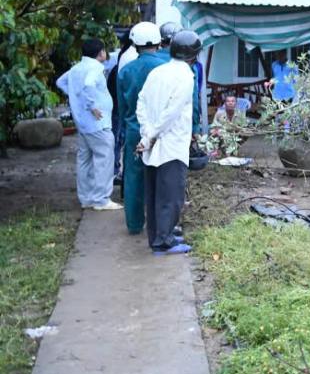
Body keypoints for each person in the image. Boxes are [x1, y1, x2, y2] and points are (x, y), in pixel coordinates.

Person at [136, 29, 201, 255]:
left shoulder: (157, 72)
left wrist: (146, 134)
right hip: (171, 144)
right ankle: (164, 241)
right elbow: (171, 112)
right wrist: (152, 134)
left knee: (154, 194)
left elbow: (141, 102)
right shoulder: (185, 76)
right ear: (194, 56)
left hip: (152, 143)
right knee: (171, 195)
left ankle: (159, 235)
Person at [55, 39, 122, 210]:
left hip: (83, 123)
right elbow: (88, 85)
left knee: (84, 160)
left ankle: (86, 198)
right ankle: (101, 199)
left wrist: (75, 97)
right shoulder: (95, 68)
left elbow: (60, 82)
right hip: (98, 124)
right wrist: (91, 105)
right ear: (101, 53)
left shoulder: (77, 68)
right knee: (104, 159)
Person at [117, 22, 168, 234]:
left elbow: (122, 107)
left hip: (133, 130)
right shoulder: (166, 67)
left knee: (133, 177)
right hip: (162, 130)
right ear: (158, 42)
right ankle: (162, 224)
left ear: (135, 44)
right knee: (163, 176)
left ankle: (135, 224)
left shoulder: (126, 71)